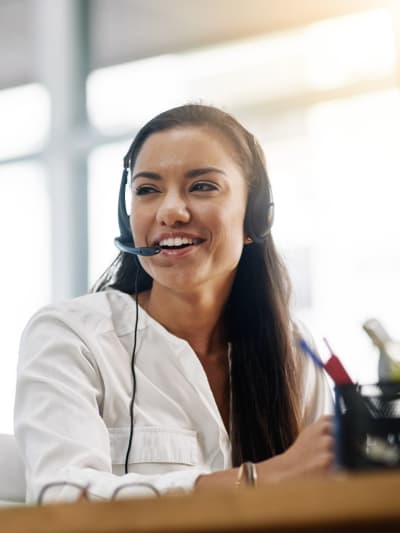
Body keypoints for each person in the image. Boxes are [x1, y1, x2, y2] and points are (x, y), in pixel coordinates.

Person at [14, 104, 333, 503]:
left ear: (254, 218)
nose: (171, 211)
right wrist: (255, 481)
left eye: (202, 186)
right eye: (148, 190)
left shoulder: (295, 351)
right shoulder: (72, 337)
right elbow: (59, 499)